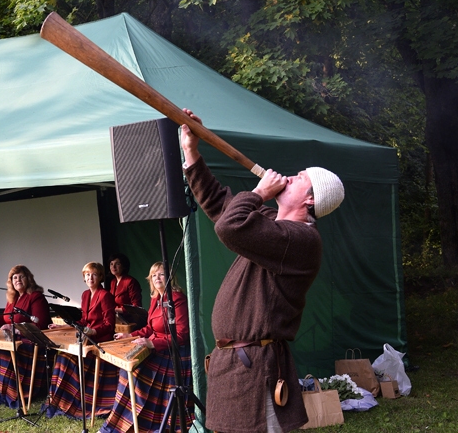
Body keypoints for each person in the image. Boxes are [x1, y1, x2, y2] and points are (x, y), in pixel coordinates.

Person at [180, 108, 345, 433]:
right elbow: (219, 203)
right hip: (235, 365)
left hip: (257, 368)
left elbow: (230, 227)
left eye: (300, 178)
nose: (291, 176)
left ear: (310, 200)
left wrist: (258, 193)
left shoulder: (301, 240)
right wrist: (192, 151)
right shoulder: (272, 224)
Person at [100, 261, 194, 433]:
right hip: (158, 347)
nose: (157, 278)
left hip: (173, 352)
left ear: (170, 278)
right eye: (154, 275)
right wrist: (130, 335)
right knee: (126, 370)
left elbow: (181, 335)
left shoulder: (177, 299)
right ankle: (123, 421)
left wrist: (151, 343)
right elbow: (150, 328)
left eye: (161, 274)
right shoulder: (155, 299)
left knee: (135, 370)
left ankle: (143, 420)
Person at [45, 261, 118, 420]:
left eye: (94, 274)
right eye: (87, 274)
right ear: (84, 277)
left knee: (68, 361)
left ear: (100, 277)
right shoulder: (85, 295)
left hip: (100, 341)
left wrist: (93, 331)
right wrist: (61, 327)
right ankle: (63, 401)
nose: (90, 277)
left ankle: (77, 402)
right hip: (86, 337)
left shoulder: (105, 295)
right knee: (62, 358)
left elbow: (109, 325)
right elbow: (84, 320)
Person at [0, 265, 52, 408]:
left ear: (28, 279)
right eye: (14, 278)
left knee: (6, 353)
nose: (17, 280)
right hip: (16, 339)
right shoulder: (14, 298)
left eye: (21, 276)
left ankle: (13, 393)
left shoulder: (36, 297)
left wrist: (16, 329)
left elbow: (40, 324)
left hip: (33, 341)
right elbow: (6, 318)